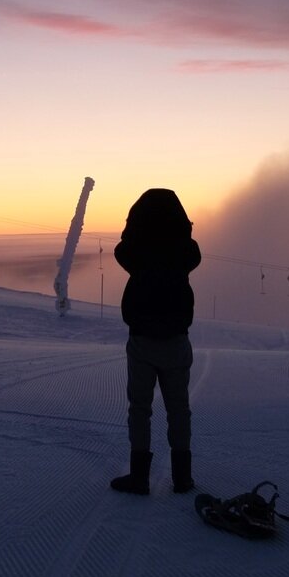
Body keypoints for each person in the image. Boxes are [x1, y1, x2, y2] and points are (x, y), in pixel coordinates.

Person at [110, 188, 202, 496]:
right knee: (179, 409)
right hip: (176, 340)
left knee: (140, 408)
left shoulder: (139, 253)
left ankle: (139, 478)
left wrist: (137, 226)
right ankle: (182, 479)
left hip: (142, 340)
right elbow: (194, 252)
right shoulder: (183, 253)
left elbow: (121, 250)